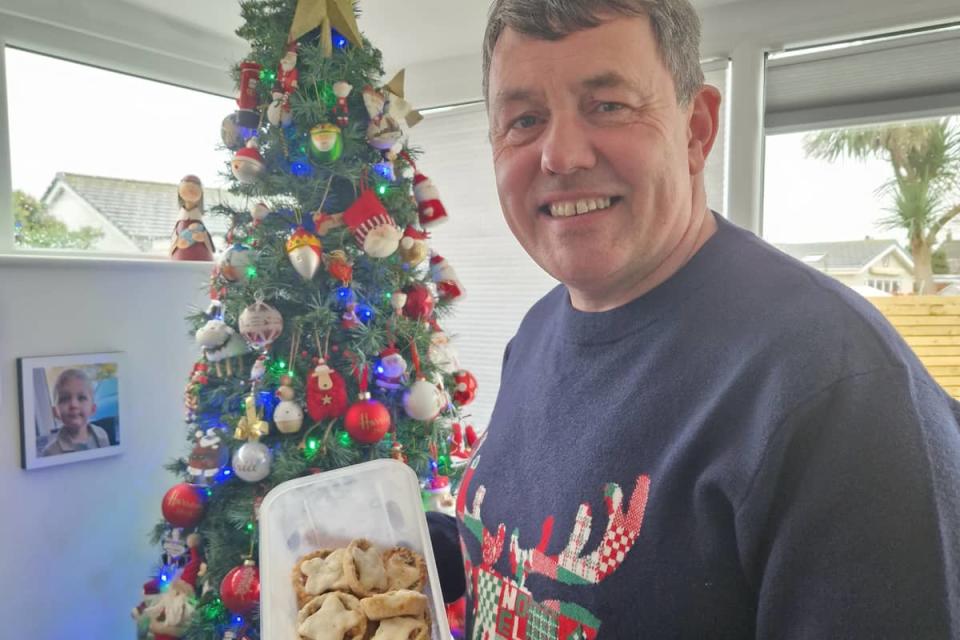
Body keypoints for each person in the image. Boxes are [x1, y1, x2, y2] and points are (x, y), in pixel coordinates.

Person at [426, 1, 960, 638]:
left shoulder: (837, 391)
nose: (560, 155)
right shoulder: (536, 333)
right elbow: (517, 552)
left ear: (696, 130)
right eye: (524, 120)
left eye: (608, 105)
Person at [41, 368, 110, 456]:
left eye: (81, 398)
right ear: (55, 412)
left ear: (93, 409)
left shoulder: (102, 435)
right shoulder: (50, 452)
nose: (74, 405)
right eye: (65, 399)